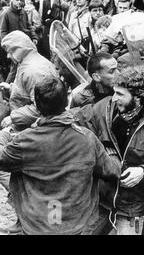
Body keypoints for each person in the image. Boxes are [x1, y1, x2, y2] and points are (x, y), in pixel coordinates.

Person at [0, 76, 121, 235]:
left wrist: (4, 137)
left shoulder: (24, 141)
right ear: (66, 102)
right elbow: (113, 170)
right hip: (75, 224)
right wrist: (112, 154)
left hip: (36, 225)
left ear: (36, 104)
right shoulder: (87, 139)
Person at [75, 67, 144, 235]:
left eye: (120, 94)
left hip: (132, 207)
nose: (114, 99)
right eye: (114, 92)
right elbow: (73, 117)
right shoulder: (104, 109)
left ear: (138, 97)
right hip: (102, 200)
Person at [0, 31, 59, 131]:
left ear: (19, 49)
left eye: (10, 51)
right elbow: (29, 92)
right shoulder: (29, 61)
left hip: (31, 127)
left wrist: (13, 118)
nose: (8, 56)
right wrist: (11, 88)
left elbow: (42, 108)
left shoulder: (34, 71)